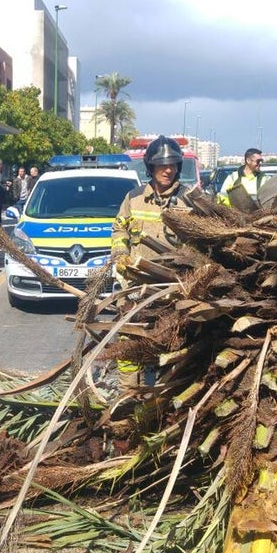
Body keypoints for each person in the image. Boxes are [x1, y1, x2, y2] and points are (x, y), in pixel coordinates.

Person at [111, 135, 188, 395]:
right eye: (162, 165)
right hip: (134, 287)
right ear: (150, 167)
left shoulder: (189, 201)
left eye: (174, 164)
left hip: (171, 289)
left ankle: (161, 402)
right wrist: (120, 255)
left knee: (168, 346)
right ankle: (128, 398)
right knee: (129, 345)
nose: (169, 170)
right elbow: (118, 229)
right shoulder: (133, 199)